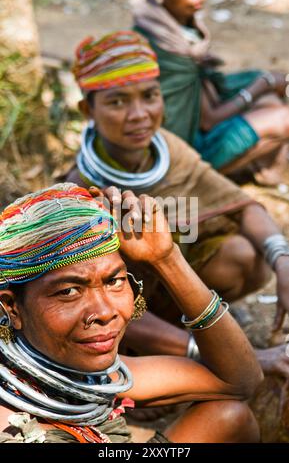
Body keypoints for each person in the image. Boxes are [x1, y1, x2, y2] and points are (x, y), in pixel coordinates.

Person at [67, 30, 289, 378]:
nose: (139, 114)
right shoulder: (81, 191)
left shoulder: (167, 149)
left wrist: (284, 262)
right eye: (118, 102)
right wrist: (217, 350)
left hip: (165, 293)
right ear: (87, 110)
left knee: (246, 256)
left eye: (150, 96)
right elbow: (101, 306)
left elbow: (245, 207)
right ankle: (163, 354)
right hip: (118, 324)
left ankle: (186, 328)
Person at [0, 183, 262, 443]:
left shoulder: (89, 376)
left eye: (114, 281)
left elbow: (238, 380)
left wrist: (166, 259)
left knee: (229, 417)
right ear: (12, 307)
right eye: (69, 291)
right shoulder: (10, 429)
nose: (104, 311)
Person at [131, 0, 289, 185]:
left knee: (269, 100)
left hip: (195, 126)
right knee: (283, 118)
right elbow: (210, 120)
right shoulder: (167, 48)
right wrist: (263, 84)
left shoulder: (162, 27)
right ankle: (202, 178)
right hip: (180, 154)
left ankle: (266, 171)